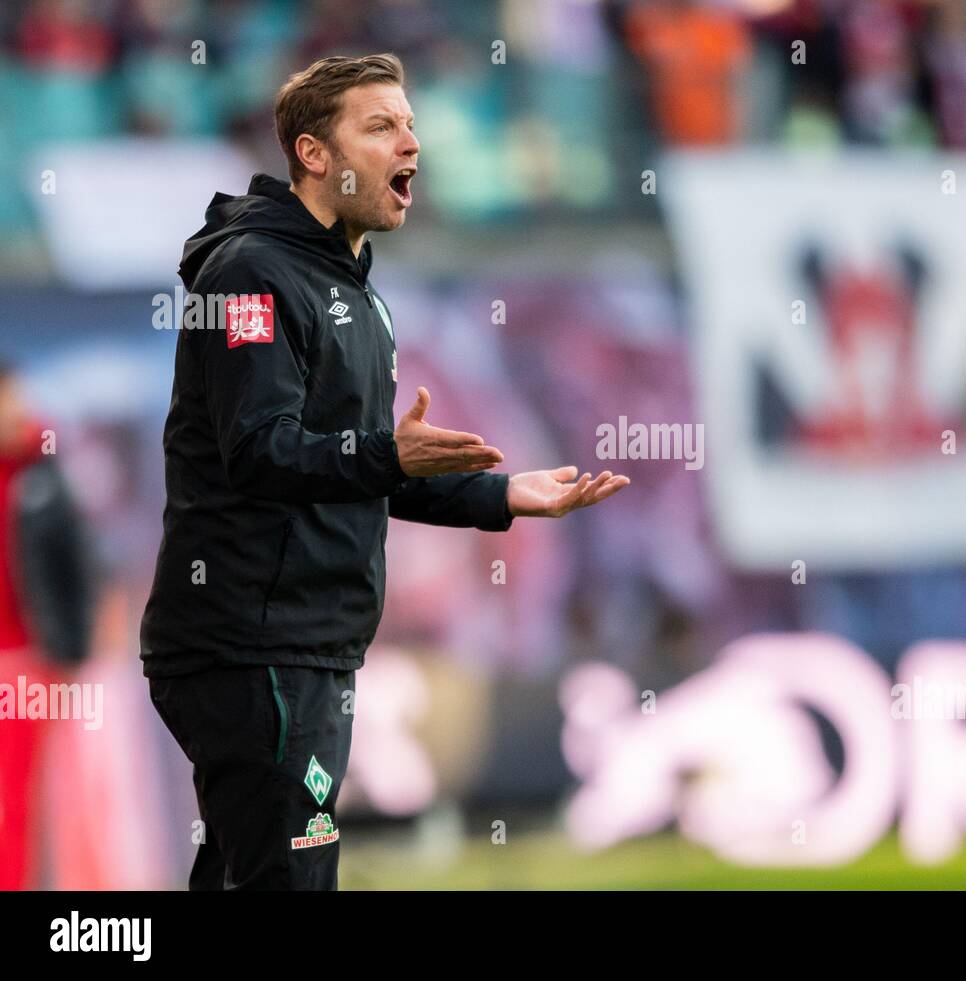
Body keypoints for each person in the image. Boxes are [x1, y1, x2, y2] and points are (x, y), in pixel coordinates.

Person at [139, 53, 629, 891]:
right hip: (252, 642)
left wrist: (505, 496)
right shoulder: (250, 274)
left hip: (309, 642)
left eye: (410, 124)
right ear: (314, 154)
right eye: (380, 125)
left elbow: (363, 467)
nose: (410, 142)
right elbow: (261, 451)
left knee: (238, 874)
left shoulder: (361, 295)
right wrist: (385, 454)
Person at [0, 361, 94, 889]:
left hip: (25, 662)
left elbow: (75, 558)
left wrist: (71, 648)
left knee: (20, 801)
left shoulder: (40, 466)